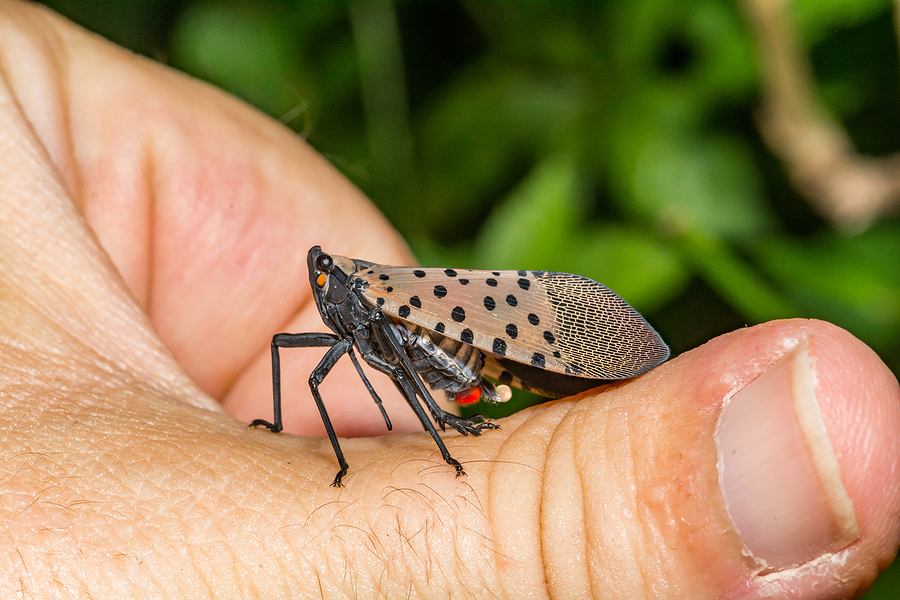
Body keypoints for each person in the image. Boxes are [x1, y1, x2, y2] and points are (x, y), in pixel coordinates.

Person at [0, 2, 897, 597]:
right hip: (426, 356)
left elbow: (398, 353)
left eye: (323, 284)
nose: (318, 296)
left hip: (461, 335)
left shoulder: (372, 294)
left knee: (371, 360)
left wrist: (426, 434)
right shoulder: (331, 326)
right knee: (303, 362)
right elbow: (321, 374)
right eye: (320, 286)